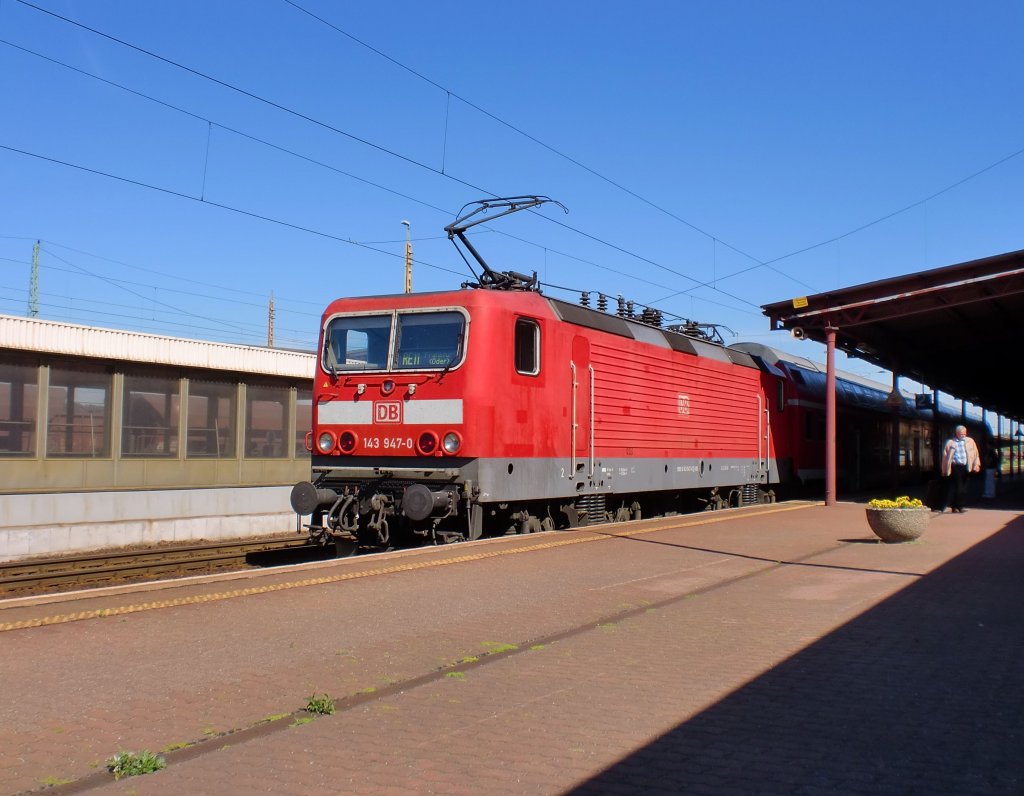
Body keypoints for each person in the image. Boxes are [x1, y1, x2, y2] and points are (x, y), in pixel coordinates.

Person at [937, 425, 981, 513]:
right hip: (955, 467)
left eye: (964, 434)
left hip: (966, 467)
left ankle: (954, 506)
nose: (963, 435)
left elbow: (975, 454)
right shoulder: (951, 443)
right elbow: (945, 457)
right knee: (959, 486)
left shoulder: (970, 441)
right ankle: (959, 506)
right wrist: (944, 470)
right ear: (956, 433)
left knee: (963, 487)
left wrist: (977, 465)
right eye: (961, 434)